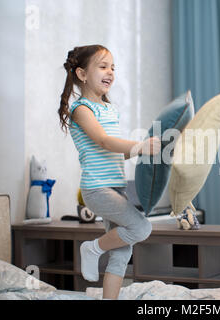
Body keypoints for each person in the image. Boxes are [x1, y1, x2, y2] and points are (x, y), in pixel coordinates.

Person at [58, 44, 161, 299]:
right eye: (103, 66)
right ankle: (91, 248)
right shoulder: (81, 110)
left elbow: (116, 151)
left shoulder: (109, 109)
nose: (110, 72)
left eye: (113, 67)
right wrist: (140, 146)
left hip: (116, 187)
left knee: (122, 253)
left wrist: (147, 150)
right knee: (141, 228)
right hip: (97, 188)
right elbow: (103, 141)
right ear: (82, 74)